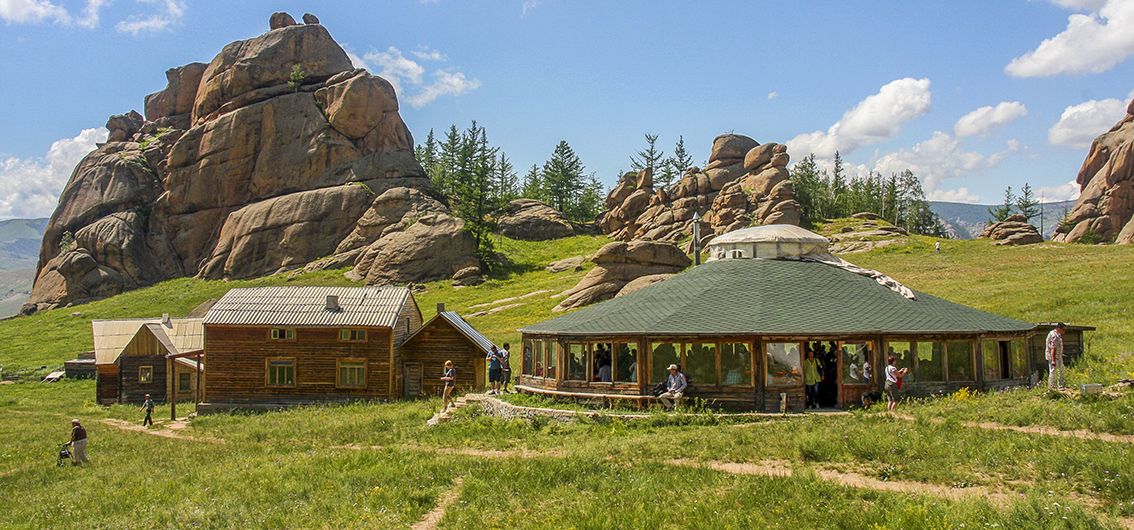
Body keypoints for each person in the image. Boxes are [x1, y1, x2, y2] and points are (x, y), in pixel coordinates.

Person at [1046, 323, 1066, 389]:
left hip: (1058, 356)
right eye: (1063, 329)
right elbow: (1053, 349)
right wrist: (1053, 360)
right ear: (1058, 328)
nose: (1064, 331)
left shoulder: (1057, 334)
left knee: (1062, 369)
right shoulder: (1055, 336)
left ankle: (1061, 385)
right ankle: (1052, 387)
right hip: (1053, 356)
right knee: (1053, 371)